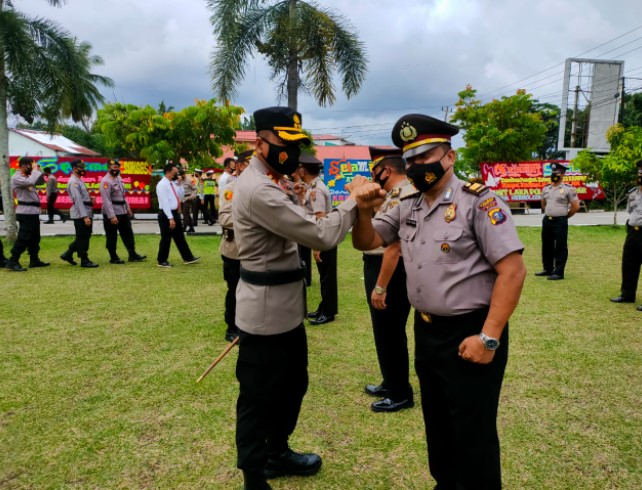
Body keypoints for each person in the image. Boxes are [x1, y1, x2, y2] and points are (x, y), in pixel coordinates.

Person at [351, 114, 526, 490]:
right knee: (438, 422)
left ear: (449, 156)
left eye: (425, 156)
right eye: (410, 160)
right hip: (427, 330)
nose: (417, 167)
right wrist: (363, 210)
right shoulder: (408, 204)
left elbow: (513, 272)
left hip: (471, 332)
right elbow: (367, 242)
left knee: (472, 430)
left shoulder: (478, 202)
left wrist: (489, 338)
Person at [232, 106, 366, 490]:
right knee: (258, 398)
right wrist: (354, 200)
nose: (291, 153)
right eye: (283, 144)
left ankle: (277, 451)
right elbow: (321, 235)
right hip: (265, 313)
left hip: (287, 308)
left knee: (293, 386)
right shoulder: (259, 189)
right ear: (259, 143)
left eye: (297, 144)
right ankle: (255, 476)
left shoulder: (274, 181)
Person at [362, 146, 415, 413]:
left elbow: (394, 247)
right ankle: (391, 381)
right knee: (383, 332)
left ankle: (400, 394)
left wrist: (380, 286)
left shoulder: (402, 194)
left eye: (376, 170)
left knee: (390, 332)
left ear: (387, 169)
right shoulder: (392, 194)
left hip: (390, 270)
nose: (373, 175)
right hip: (380, 265)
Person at [294, 154, 338, 325]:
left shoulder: (316, 190)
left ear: (303, 170)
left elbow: (320, 217)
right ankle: (324, 307)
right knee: (325, 276)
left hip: (324, 238)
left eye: (300, 168)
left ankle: (328, 312)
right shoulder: (314, 186)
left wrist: (317, 246)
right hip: (324, 237)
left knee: (327, 277)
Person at [219, 150, 252, 342]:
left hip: (255, 250)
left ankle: (248, 324)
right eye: (250, 165)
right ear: (240, 166)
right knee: (235, 289)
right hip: (235, 250)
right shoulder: (231, 188)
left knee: (252, 290)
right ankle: (231, 327)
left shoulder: (261, 187)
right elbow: (224, 218)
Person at [535, 162, 580, 280]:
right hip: (547, 220)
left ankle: (559, 272)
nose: (555, 174)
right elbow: (543, 203)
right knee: (547, 245)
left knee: (560, 246)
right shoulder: (546, 188)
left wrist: (564, 216)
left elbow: (575, 206)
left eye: (558, 172)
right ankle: (547, 268)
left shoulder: (568, 189)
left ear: (563, 174)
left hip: (560, 221)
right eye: (553, 172)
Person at [6, 157, 49, 271]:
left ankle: (34, 260)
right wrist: (35, 171)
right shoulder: (17, 177)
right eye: (30, 165)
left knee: (35, 238)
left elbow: (40, 182)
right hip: (25, 212)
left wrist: (38, 172)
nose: (31, 167)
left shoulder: (29, 176)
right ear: (23, 166)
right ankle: (13, 260)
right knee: (23, 238)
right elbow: (30, 182)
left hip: (33, 212)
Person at [100, 159, 147, 264]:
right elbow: (106, 200)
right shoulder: (105, 181)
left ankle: (132, 254)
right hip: (112, 212)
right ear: (109, 168)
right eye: (114, 167)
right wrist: (112, 216)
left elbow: (123, 195)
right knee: (112, 235)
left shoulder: (119, 179)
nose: (116, 169)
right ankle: (113, 257)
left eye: (117, 167)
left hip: (122, 210)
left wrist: (128, 207)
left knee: (128, 233)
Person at [610, 159, 642, 311]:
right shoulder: (633, 192)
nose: (640, 174)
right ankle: (627, 294)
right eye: (639, 172)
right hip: (633, 231)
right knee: (629, 263)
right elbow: (631, 211)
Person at [155, 163, 199, 268]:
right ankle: (161, 260)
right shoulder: (162, 184)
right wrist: (170, 218)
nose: (177, 174)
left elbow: (180, 195)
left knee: (180, 236)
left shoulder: (172, 183)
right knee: (166, 238)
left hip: (174, 213)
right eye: (175, 172)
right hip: (166, 214)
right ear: (168, 172)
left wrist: (179, 185)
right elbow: (164, 202)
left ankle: (188, 257)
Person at [60, 159, 98, 268]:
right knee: (82, 238)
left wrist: (90, 198)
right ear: (74, 169)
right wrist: (85, 216)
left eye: (83, 167)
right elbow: (77, 200)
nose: (83, 169)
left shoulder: (79, 180)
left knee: (84, 236)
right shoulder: (73, 182)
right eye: (80, 168)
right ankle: (84, 260)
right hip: (80, 213)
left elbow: (82, 197)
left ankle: (67, 254)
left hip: (86, 210)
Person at [181, 168, 198, 233]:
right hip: (181, 199)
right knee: (186, 214)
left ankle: (184, 227)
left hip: (187, 198)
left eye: (183, 174)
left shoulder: (188, 181)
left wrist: (192, 196)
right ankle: (191, 228)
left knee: (185, 213)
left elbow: (195, 188)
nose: (183, 175)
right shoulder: (178, 181)